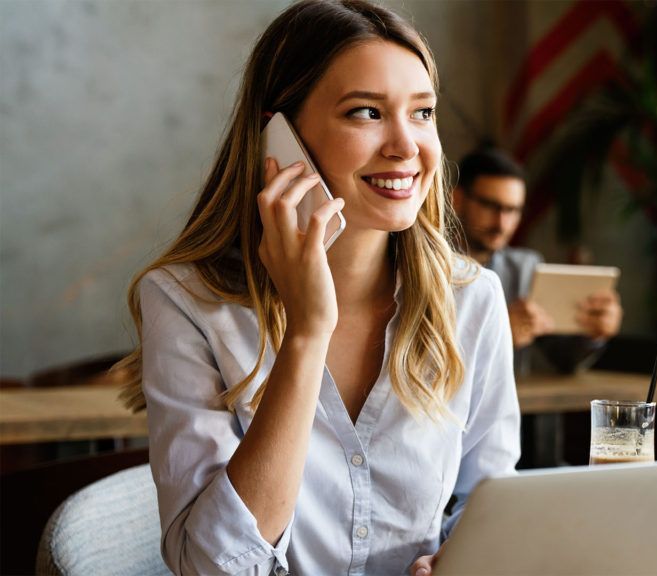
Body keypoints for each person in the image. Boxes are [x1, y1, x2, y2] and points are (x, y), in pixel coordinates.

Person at [114, 2, 519, 575]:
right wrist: (306, 333)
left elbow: (492, 502)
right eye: (365, 113)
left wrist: (463, 555)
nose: (407, 146)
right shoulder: (187, 303)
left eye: (423, 112)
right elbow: (213, 566)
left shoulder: (472, 298)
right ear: (279, 137)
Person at [452, 146, 623, 375]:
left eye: (513, 210)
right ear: (457, 200)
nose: (502, 223)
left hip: (514, 408)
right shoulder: (421, 266)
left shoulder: (525, 269)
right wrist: (497, 334)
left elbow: (563, 358)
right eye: (491, 206)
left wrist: (595, 333)